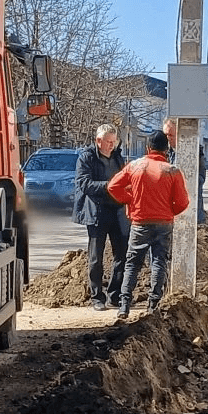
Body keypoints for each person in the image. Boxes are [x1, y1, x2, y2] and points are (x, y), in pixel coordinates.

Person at [107, 131, 189, 319]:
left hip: (140, 222)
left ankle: (124, 306)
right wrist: (169, 211)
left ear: (147, 148)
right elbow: (183, 202)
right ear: (166, 150)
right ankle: (153, 304)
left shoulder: (135, 166)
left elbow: (113, 186)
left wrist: (130, 200)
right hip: (163, 223)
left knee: (132, 264)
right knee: (159, 262)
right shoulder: (172, 171)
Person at [72, 124, 129, 311]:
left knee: (122, 254)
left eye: (114, 141)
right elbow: (84, 184)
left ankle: (115, 295)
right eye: (108, 141)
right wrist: (109, 186)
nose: (112, 145)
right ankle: (97, 297)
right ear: (98, 141)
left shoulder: (118, 157)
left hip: (118, 211)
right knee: (96, 257)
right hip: (96, 212)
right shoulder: (86, 158)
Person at [162, 118, 206, 223]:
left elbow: (198, 180)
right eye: (165, 135)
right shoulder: (166, 152)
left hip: (191, 214)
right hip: (170, 214)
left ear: (180, 134)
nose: (167, 139)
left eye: (170, 135)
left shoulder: (194, 154)